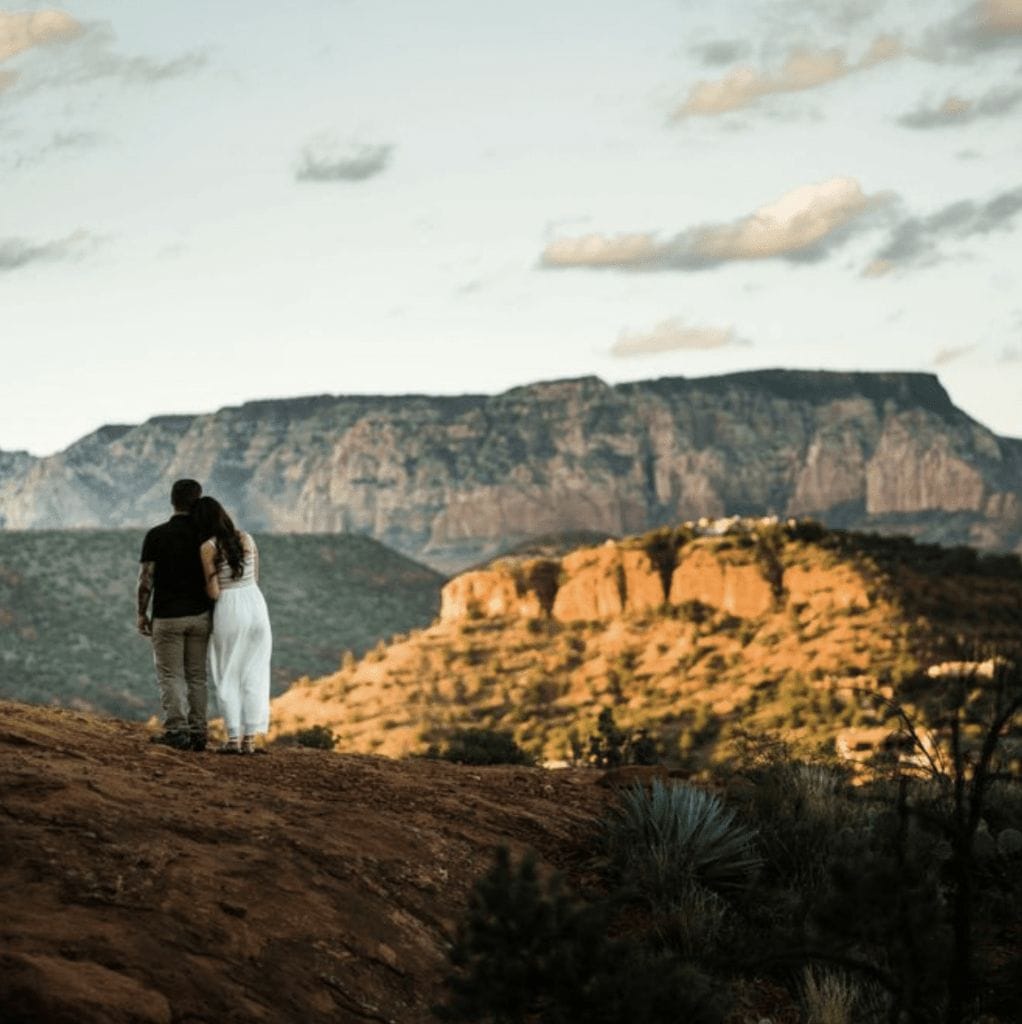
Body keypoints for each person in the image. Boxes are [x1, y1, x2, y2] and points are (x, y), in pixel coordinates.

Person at [192, 496, 273, 754]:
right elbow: (255, 576)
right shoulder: (247, 538)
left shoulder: (207, 547)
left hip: (230, 608)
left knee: (227, 673)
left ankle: (233, 739)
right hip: (256, 605)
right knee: (255, 673)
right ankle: (250, 739)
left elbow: (214, 592)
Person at [137, 479, 213, 751]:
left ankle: (177, 732)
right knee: (197, 676)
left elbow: (146, 580)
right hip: (200, 616)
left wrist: (141, 613)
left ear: (172, 500)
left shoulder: (156, 535)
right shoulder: (206, 536)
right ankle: (199, 732)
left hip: (167, 616)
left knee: (170, 675)